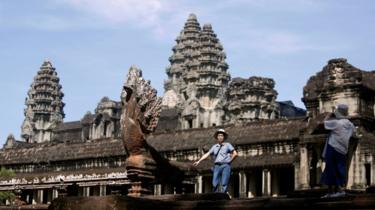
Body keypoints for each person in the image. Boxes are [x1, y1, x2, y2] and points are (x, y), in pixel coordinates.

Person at [320, 104, 355, 198]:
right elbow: (353, 134)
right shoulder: (350, 125)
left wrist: (330, 114)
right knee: (340, 168)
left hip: (333, 147)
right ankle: (338, 190)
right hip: (343, 149)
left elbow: (324, 123)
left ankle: (335, 191)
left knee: (330, 168)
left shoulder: (336, 123)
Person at [193, 128, 238, 193]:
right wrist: (199, 161)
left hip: (225, 165)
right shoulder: (214, 146)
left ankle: (223, 196)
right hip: (217, 166)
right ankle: (215, 196)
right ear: (217, 137)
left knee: (224, 182)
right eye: (219, 135)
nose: (220, 137)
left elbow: (235, 153)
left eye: (222, 135)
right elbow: (207, 154)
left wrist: (229, 161)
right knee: (214, 183)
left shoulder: (228, 145)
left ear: (224, 137)